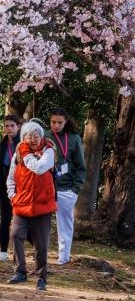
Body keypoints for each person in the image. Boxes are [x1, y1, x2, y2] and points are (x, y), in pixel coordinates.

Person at [5, 120, 57, 290]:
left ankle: (42, 277)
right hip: (22, 205)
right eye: (28, 136)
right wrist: (13, 196)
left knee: (41, 245)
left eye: (36, 136)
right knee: (15, 235)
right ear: (23, 137)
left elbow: (40, 168)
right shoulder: (18, 153)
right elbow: (11, 177)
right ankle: (20, 272)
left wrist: (28, 156)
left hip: (43, 206)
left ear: (41, 137)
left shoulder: (49, 150)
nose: (32, 139)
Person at [46, 108, 86, 265]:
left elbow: (80, 167)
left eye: (59, 122)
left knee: (65, 225)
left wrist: (75, 190)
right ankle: (41, 253)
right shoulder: (45, 136)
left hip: (66, 189)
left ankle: (63, 257)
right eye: (53, 122)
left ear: (66, 121)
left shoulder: (74, 138)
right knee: (41, 223)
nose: (56, 125)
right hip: (47, 187)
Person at [0, 115, 21, 262]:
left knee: (15, 218)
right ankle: (2, 250)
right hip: (3, 184)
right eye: (6, 126)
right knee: (4, 217)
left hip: (18, 185)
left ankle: (36, 249)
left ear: (18, 126)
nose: (9, 129)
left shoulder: (23, 144)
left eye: (12, 126)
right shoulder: (2, 144)